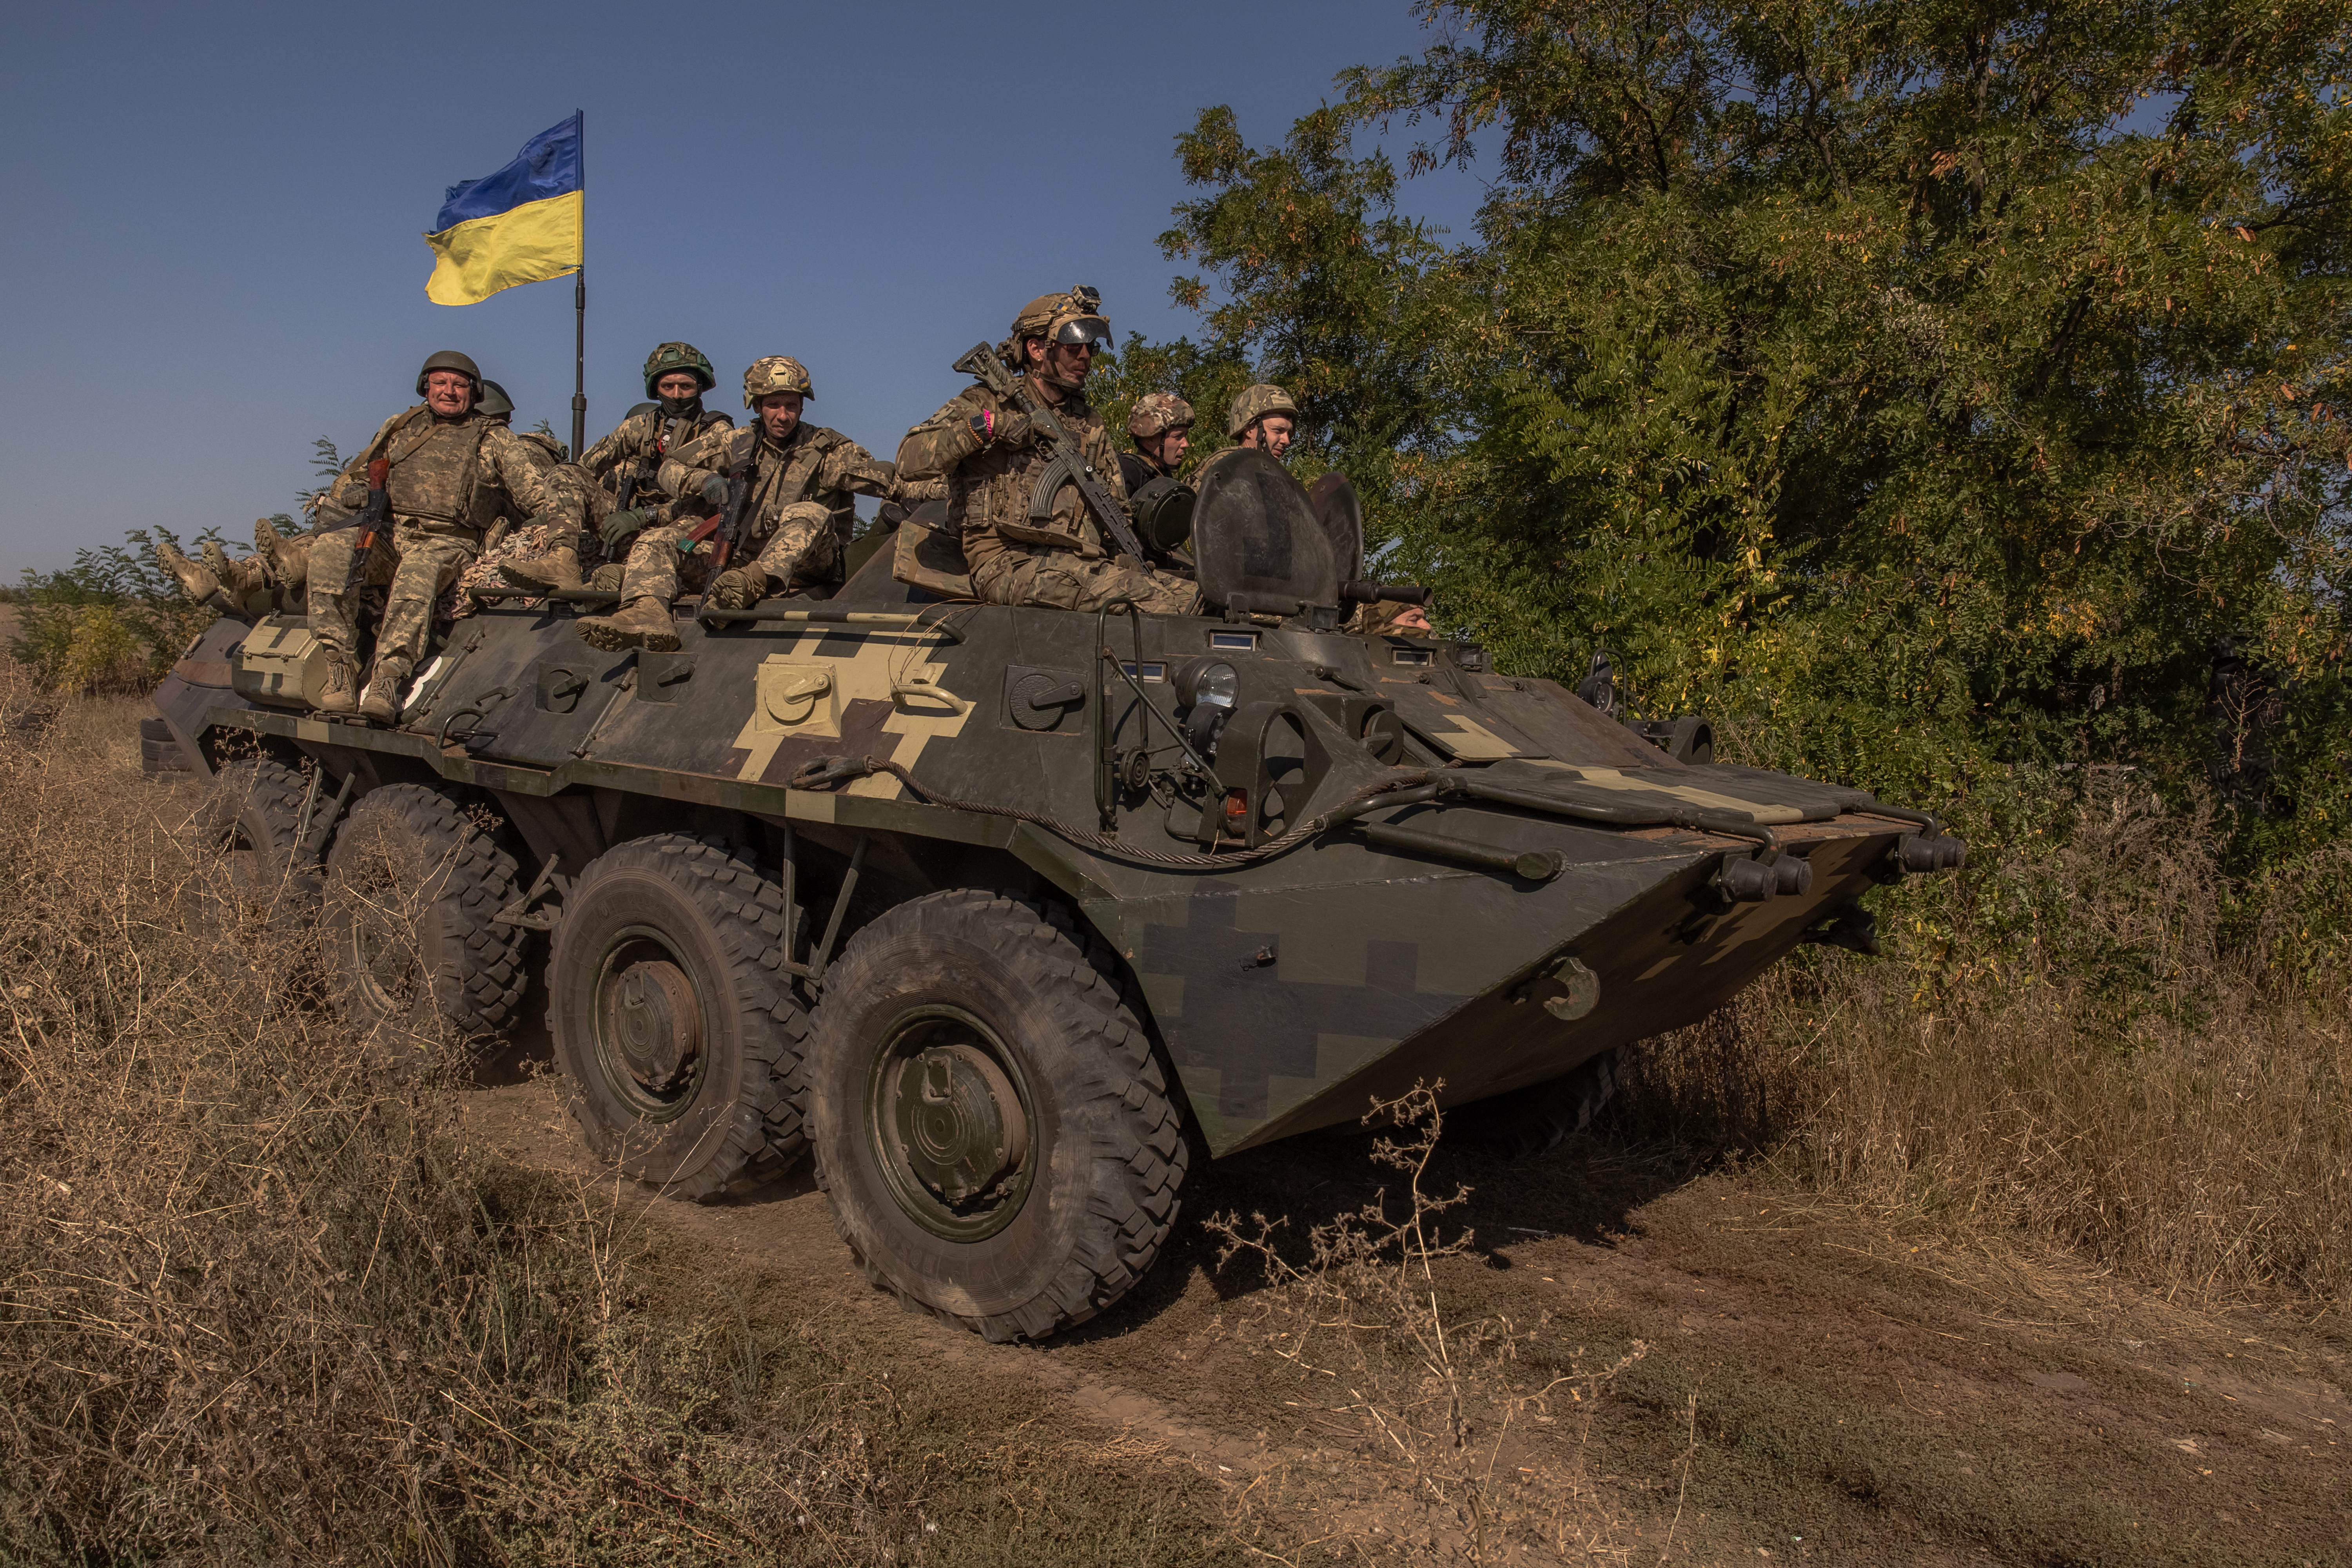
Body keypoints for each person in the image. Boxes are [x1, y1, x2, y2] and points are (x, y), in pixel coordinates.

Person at [305, 350, 575, 722]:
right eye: (440, 383)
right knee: (330, 550)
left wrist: (565, 515)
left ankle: (387, 678)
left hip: (451, 541)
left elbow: (533, 494)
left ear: (474, 392)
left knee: (420, 569)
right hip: (390, 532)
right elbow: (360, 473)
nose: (449, 391)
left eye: (459, 384)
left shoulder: (493, 438)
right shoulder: (401, 427)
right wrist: (356, 493)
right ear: (425, 387)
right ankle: (339, 668)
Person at [896, 289, 1200, 614]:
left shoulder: (1089, 422)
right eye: (1073, 348)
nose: (1085, 357)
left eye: (1091, 348)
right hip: (1005, 561)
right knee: (1151, 600)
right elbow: (909, 459)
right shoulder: (986, 402)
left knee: (1199, 599)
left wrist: (1128, 558)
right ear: (1037, 349)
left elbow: (1115, 507)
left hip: (1080, 561)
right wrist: (988, 427)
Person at [573, 356, 897, 653]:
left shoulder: (827, 450)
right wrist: (704, 482)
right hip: (738, 558)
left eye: (791, 406)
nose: (783, 416)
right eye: (773, 405)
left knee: (808, 512)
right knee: (657, 540)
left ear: (802, 407)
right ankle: (647, 611)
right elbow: (670, 469)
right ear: (756, 406)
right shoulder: (735, 442)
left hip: (809, 564)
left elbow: (894, 484)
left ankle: (750, 583)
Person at [503, 343, 734, 592]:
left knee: (672, 533)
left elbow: (708, 503)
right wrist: (558, 512)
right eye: (668, 386)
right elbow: (585, 468)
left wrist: (644, 516)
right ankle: (562, 562)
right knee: (565, 473)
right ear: (655, 389)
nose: (677, 395)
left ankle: (626, 575)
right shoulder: (639, 427)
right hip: (628, 524)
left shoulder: (718, 433)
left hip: (681, 532)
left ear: (700, 388)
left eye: (685, 386)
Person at [1116, 392, 1193, 495]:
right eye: (1178, 437)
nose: (1186, 444)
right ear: (1150, 439)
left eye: (1186, 435)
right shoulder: (1128, 472)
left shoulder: (1161, 474)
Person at [1229, 383, 1300, 463]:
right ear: (1250, 429)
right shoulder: (1227, 468)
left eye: (1289, 434)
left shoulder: (1273, 473)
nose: (1287, 441)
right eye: (1278, 430)